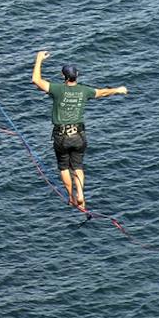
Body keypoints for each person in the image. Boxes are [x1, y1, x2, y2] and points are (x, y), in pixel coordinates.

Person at [29, 49, 128, 212]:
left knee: (64, 167)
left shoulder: (57, 90)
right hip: (79, 136)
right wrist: (118, 89)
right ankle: (81, 193)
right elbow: (102, 92)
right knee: (78, 166)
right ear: (77, 75)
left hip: (61, 136)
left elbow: (36, 79)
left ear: (63, 77)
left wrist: (39, 59)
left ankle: (71, 197)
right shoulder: (84, 91)